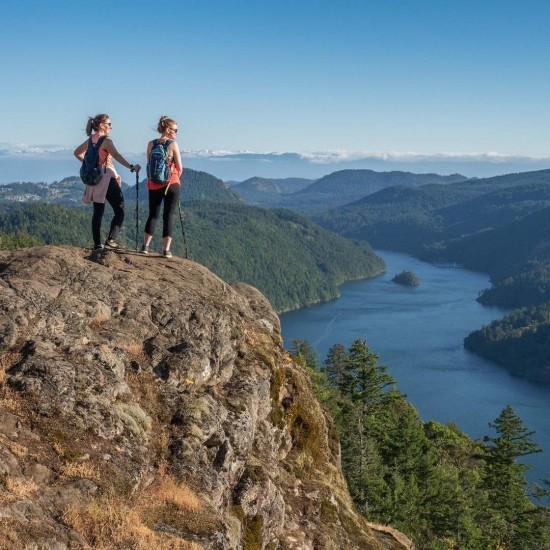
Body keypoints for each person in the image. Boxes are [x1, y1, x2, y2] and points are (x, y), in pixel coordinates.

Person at [74, 114, 140, 252]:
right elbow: (116, 155)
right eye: (109, 124)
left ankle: (97, 244)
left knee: (98, 212)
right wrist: (131, 167)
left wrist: (90, 166)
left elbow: (77, 153)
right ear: (102, 125)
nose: (111, 127)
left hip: (94, 179)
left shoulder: (91, 139)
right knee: (120, 210)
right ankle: (111, 240)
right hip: (106, 177)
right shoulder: (106, 140)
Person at [141, 115, 183, 258]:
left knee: (153, 215)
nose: (176, 133)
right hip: (171, 183)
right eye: (175, 130)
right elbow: (180, 167)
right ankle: (166, 250)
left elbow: (149, 164)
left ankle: (145, 247)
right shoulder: (173, 144)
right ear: (168, 129)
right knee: (168, 216)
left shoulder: (150, 144)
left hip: (154, 184)